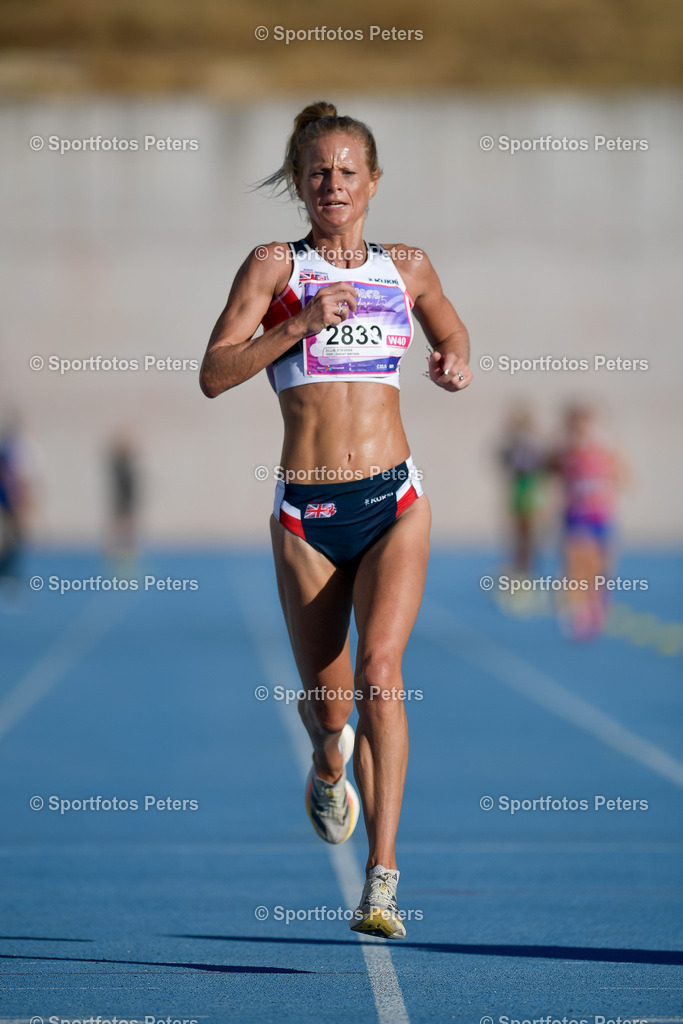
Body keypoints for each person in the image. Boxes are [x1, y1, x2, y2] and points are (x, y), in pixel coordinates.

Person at [200, 101, 472, 938]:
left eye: (349, 171)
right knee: (331, 705)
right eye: (318, 171)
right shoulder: (273, 266)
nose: (333, 184)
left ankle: (381, 879)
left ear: (373, 182)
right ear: (297, 181)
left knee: (381, 674)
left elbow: (452, 329)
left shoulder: (409, 265)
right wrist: (296, 325)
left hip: (392, 500)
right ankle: (326, 761)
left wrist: (453, 359)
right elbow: (214, 373)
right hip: (306, 513)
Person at [552, 403, 624, 640]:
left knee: (601, 564)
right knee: (579, 561)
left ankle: (597, 604)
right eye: (576, 422)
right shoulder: (566, 449)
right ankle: (577, 610)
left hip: (601, 512)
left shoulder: (605, 447)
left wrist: (607, 486)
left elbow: (623, 474)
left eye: (584, 421)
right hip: (577, 513)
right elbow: (553, 471)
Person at [498, 405, 547, 578]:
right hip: (518, 487)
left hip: (530, 487)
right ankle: (520, 569)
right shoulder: (513, 442)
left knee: (528, 532)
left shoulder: (534, 442)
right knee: (518, 532)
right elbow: (503, 461)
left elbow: (543, 465)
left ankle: (527, 570)